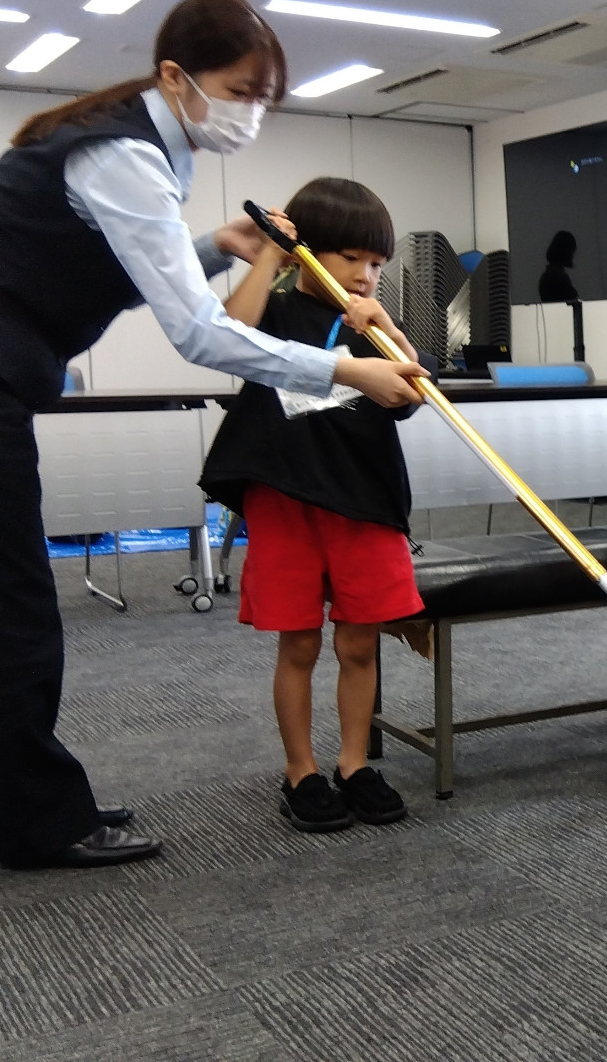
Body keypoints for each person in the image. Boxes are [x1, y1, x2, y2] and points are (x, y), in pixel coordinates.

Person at [0, 0, 427, 869]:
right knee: (8, 595)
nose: (250, 113)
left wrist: (217, 244)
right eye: (239, 89)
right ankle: (39, 820)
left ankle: (23, 807)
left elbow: (122, 273)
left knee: (1, 593)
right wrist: (348, 368)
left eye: (264, 100)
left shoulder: (149, 153)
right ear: (176, 77)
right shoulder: (125, 154)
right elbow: (200, 333)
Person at [199, 178, 432, 834]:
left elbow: (412, 394)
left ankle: (353, 762)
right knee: (298, 643)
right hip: (287, 496)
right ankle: (300, 769)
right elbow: (228, 331)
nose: (364, 275)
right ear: (310, 252)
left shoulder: (371, 323)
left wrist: (386, 325)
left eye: (377, 264)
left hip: (362, 497)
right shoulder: (275, 310)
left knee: (360, 642)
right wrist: (272, 254)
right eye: (350, 258)